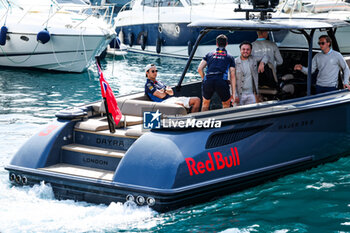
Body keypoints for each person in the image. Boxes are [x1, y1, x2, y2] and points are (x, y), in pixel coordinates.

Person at [197, 34, 236, 111]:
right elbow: (232, 75)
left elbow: (199, 69)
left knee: (205, 103)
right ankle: (225, 121)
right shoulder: (230, 57)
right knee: (226, 104)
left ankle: (203, 121)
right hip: (221, 81)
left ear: (217, 44)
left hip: (208, 80)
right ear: (226, 44)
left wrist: (204, 78)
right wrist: (234, 93)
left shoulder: (209, 54)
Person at [235, 41, 268, 106]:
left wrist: (262, 63)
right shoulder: (234, 62)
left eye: (248, 49)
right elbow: (230, 80)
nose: (245, 51)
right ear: (240, 50)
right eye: (243, 49)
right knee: (239, 114)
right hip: (239, 95)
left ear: (251, 50)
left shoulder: (253, 59)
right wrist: (234, 95)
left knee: (252, 112)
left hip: (251, 94)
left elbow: (266, 56)